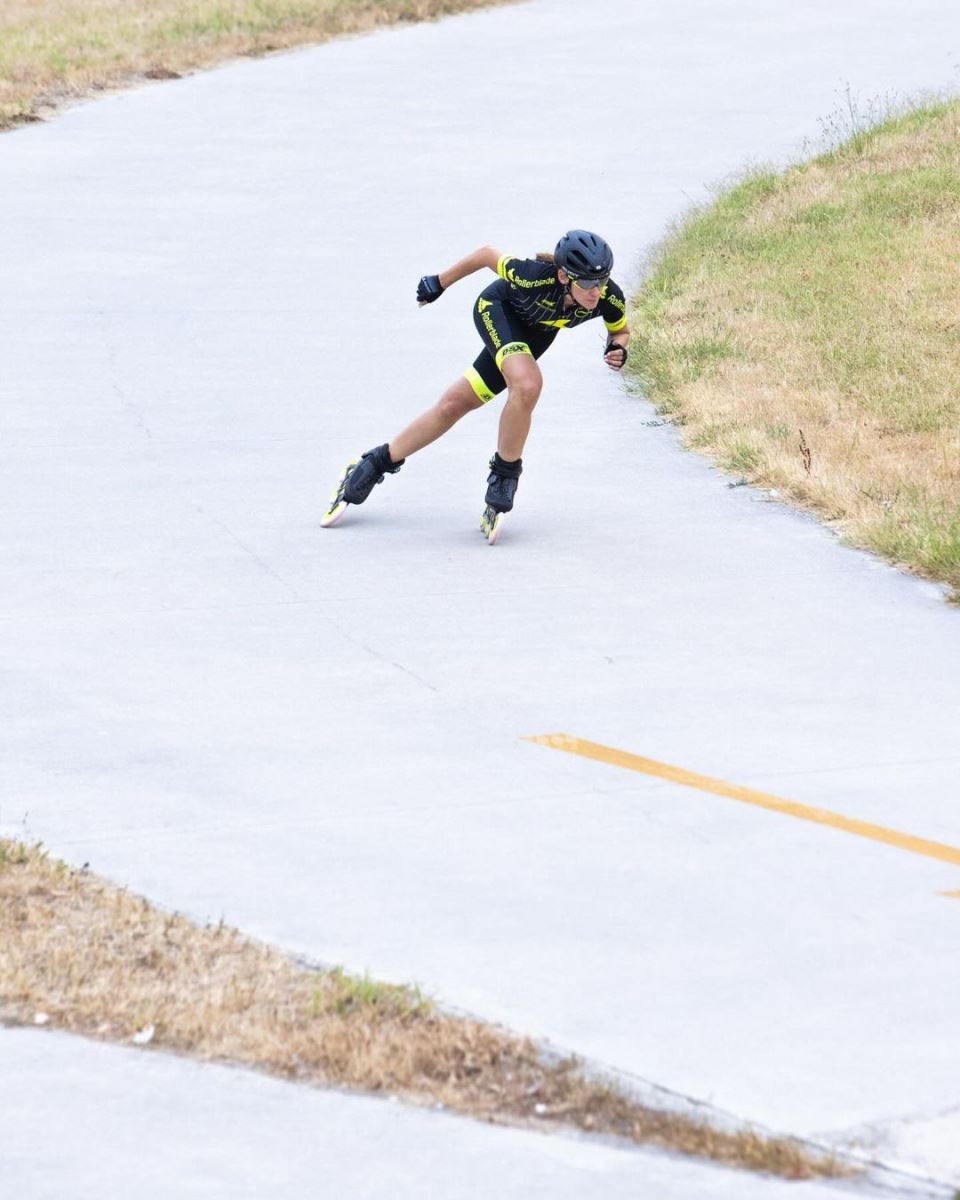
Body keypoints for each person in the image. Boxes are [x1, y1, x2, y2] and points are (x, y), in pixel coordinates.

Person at [321, 229, 630, 536]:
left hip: (534, 335)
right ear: (563, 277)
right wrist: (438, 283)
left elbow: (620, 331)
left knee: (453, 405)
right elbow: (485, 254)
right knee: (527, 384)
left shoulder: (609, 298)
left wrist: (617, 348)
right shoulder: (531, 276)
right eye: (588, 283)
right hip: (498, 311)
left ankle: (374, 462)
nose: (596, 291)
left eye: (602, 282)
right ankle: (504, 474)